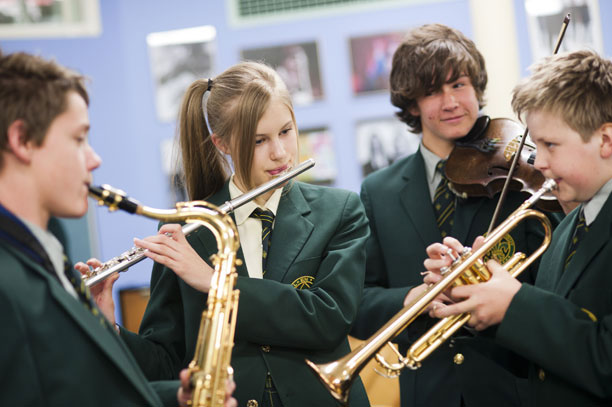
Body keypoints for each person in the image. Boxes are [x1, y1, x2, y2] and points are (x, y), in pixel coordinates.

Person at [112, 61, 370, 407]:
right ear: (222, 143)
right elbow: (168, 364)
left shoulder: (340, 211)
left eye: (286, 131)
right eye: (259, 140)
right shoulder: (189, 232)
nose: (279, 153)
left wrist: (217, 282)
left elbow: (328, 319)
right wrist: (108, 328)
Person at [0, 50, 236, 407]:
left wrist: (178, 398)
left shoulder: (47, 249)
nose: (94, 159)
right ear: (22, 140)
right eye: (78, 139)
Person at [350, 23, 560, 407]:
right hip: (428, 392)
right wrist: (414, 297)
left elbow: (556, 281)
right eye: (432, 91)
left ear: (476, 88)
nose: (450, 102)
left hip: (511, 388)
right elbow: (359, 302)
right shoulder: (378, 192)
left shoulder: (518, 174)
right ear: (412, 105)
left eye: (459, 84)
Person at [426, 49, 612, 406]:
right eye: (536, 144)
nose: (537, 161)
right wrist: (478, 298)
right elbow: (549, 356)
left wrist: (514, 305)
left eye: (550, 145)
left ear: (605, 140)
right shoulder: (566, 228)